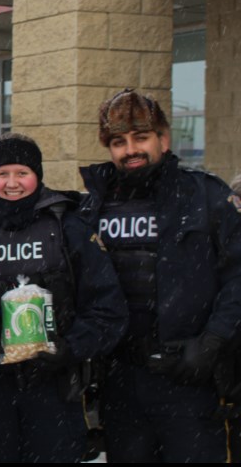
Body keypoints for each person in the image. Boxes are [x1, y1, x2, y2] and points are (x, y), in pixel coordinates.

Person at [79, 88, 241, 463]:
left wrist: (213, 342)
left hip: (190, 377)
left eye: (141, 137)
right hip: (121, 380)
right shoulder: (95, 205)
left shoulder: (206, 196)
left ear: (163, 139)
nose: (130, 149)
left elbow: (237, 277)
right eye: (119, 142)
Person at [0, 133, 128, 463]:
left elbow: (108, 309)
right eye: (3, 174)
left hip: (54, 390)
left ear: (38, 176)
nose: (12, 183)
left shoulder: (68, 228)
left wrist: (69, 347)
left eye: (22, 173)